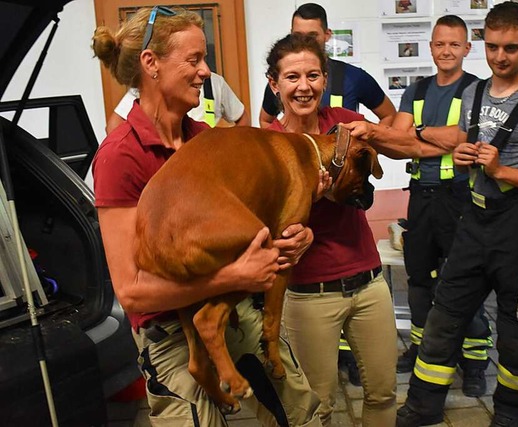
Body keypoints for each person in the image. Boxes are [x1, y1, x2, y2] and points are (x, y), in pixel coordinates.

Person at [91, 7, 322, 426]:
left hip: (234, 312)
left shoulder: (204, 138)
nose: (206, 71)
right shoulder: (119, 156)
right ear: (151, 63)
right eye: (194, 60)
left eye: (205, 59)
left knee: (300, 415)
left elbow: (252, 229)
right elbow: (133, 292)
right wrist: (234, 278)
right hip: (169, 335)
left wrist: (290, 241)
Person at [394, 3, 518, 426]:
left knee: (516, 334)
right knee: (443, 317)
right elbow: (468, 148)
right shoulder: (474, 93)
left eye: (511, 48)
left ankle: (508, 412)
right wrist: (466, 155)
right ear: (483, 43)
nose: (500, 57)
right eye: (492, 47)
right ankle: (423, 405)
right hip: (474, 220)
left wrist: (501, 170)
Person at [341, 14, 493, 395]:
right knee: (420, 281)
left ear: (467, 48)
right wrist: (434, 140)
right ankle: (422, 347)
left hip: (461, 196)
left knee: (464, 282)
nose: (446, 51)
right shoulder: (417, 91)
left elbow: (465, 137)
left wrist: (418, 135)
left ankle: (473, 361)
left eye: (454, 44)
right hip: (421, 197)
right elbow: (395, 143)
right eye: (440, 43)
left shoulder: (476, 90)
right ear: (430, 47)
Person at [265, 33, 398, 426]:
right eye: (292, 78)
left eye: (312, 76)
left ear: (325, 79)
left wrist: (375, 135)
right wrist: (312, 197)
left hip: (369, 282)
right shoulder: (268, 144)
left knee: (383, 392)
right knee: (317, 406)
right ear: (275, 84)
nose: (303, 87)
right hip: (310, 295)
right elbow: (268, 224)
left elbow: (394, 144)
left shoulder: (346, 125)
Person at [258, 3, 396, 129]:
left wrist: (363, 150)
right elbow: (266, 120)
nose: (304, 86)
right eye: (297, 36)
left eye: (312, 36)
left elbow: (388, 115)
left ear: (327, 35)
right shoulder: (281, 81)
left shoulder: (354, 77)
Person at [106, 73, 250, 134]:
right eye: (193, 60)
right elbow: (113, 126)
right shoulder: (149, 85)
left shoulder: (214, 82)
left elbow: (242, 118)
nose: (204, 69)